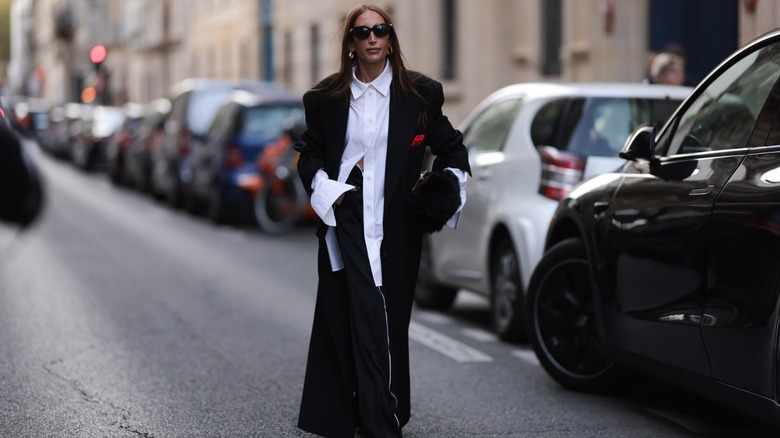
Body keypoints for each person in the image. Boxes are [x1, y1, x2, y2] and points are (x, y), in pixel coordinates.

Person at [294, 4, 470, 437]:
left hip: (396, 233)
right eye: (362, 32)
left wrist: (444, 190)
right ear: (350, 44)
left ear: (391, 38)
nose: (372, 38)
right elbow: (310, 152)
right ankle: (351, 417)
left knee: (388, 325)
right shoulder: (325, 99)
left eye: (381, 30)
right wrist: (326, 188)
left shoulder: (420, 94)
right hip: (346, 224)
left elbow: (453, 149)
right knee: (345, 319)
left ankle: (384, 417)